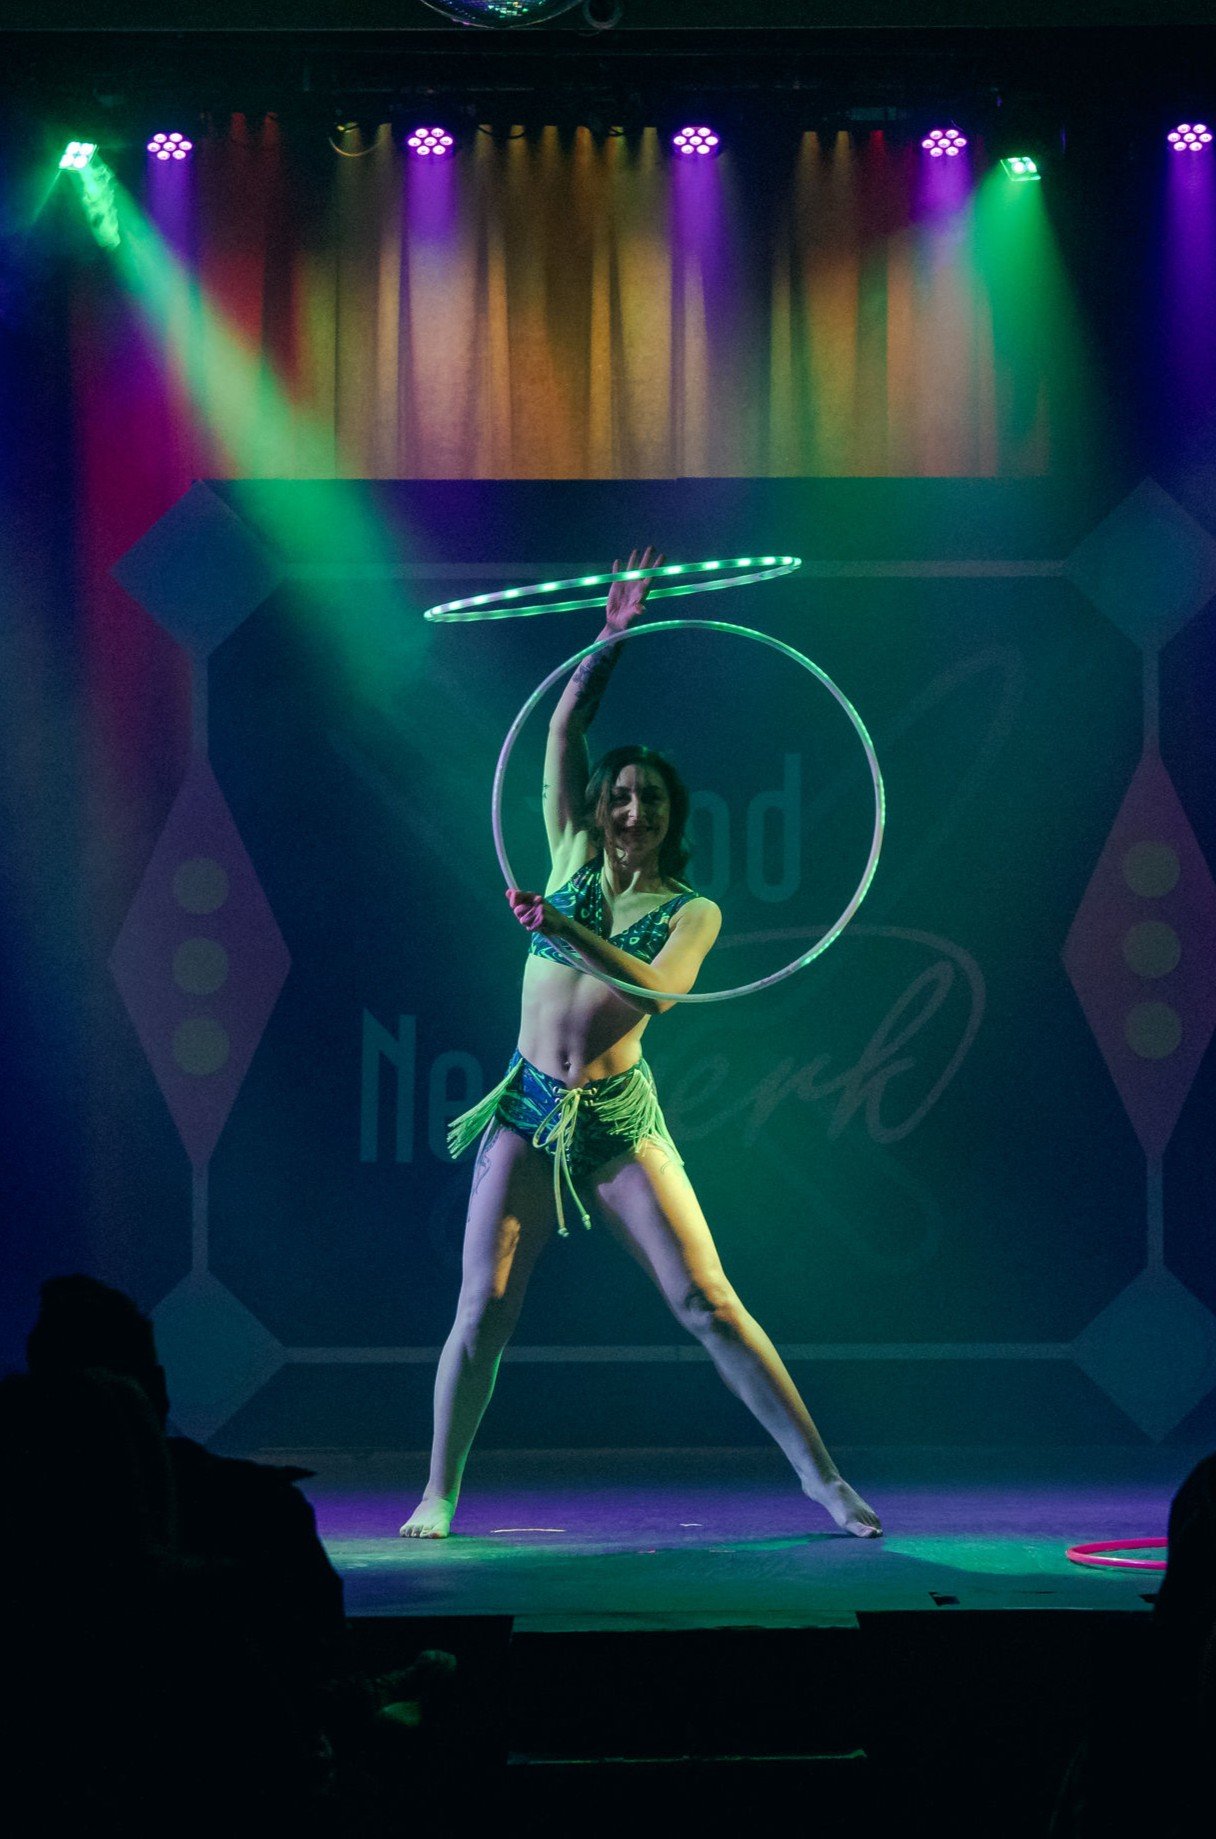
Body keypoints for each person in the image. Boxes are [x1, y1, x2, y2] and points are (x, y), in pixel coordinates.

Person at [401, 548, 881, 1541]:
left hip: (620, 1122)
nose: (630, 811)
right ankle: (438, 1492)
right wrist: (611, 639)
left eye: (648, 801)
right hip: (526, 1109)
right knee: (482, 1309)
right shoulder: (569, 853)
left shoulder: (690, 911)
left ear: (669, 818)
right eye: (618, 795)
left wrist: (560, 927)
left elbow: (652, 993)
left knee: (707, 1300)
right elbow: (563, 730)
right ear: (596, 807)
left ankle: (825, 1481)